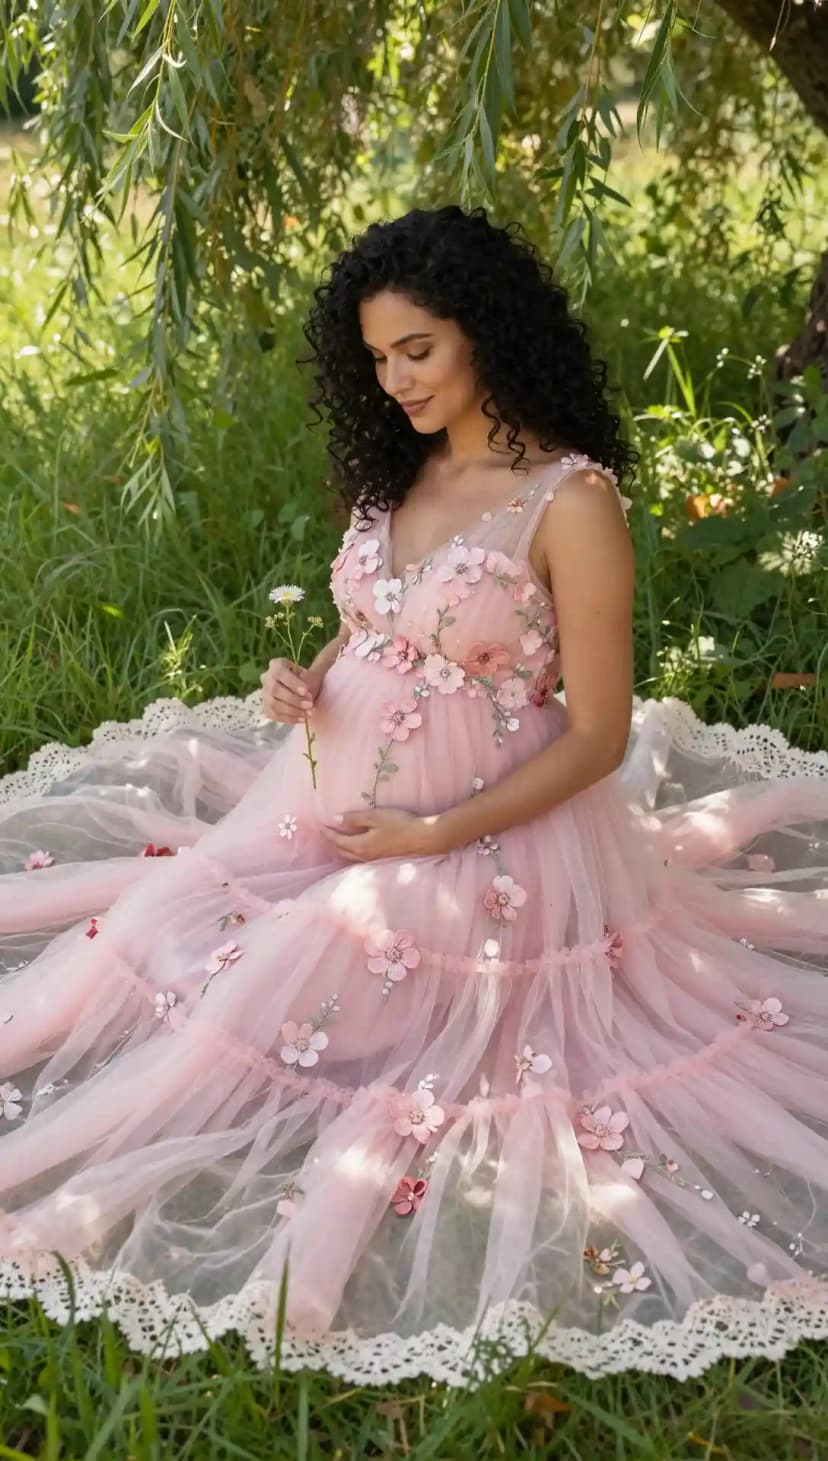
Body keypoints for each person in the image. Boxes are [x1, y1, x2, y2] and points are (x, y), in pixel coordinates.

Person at [0, 204, 826, 1386]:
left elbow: (596, 737)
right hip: (314, 796)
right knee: (152, 933)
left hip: (484, 841)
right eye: (378, 358)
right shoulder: (403, 468)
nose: (395, 382)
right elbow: (373, 622)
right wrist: (306, 677)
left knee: (285, 1000)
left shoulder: (569, 504)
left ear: (484, 329)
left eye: (418, 351)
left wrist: (428, 833)